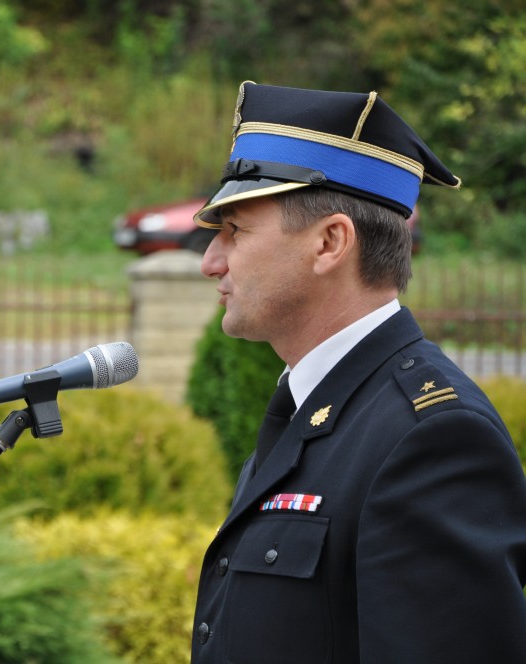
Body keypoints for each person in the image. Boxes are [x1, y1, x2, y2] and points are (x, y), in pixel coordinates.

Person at [189, 82, 526, 663]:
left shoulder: (431, 439)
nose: (209, 261)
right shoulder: (313, 405)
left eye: (235, 230)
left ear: (329, 242)